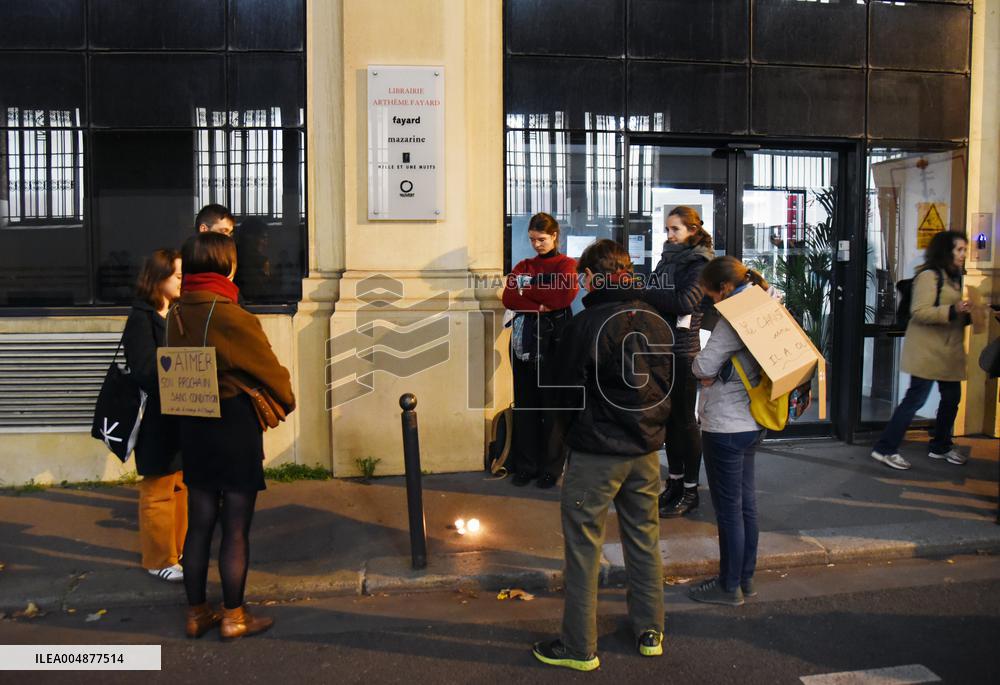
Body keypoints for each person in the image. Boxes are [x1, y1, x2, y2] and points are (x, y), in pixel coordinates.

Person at [532, 239, 672, 672]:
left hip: (596, 453)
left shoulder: (586, 323)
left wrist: (558, 452)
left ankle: (579, 648)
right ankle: (650, 632)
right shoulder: (656, 320)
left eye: (582, 278)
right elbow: (670, 388)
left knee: (583, 548)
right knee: (644, 539)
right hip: (646, 452)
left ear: (592, 277)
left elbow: (560, 392)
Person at [168, 232, 295, 640]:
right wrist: (284, 400)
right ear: (228, 266)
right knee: (236, 526)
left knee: (200, 522)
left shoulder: (175, 314)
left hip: (192, 422)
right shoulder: (233, 316)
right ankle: (234, 616)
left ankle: (195, 614)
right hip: (233, 427)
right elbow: (275, 376)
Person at [689, 256, 778, 607]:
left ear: (725, 288)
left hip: (726, 423)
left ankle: (729, 587)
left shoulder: (736, 317)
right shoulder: (767, 306)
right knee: (747, 506)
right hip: (754, 421)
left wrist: (706, 363)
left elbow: (703, 366)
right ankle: (745, 578)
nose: (711, 302)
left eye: (711, 296)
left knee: (729, 511)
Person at [871, 230, 972, 470]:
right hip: (927, 352)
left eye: (965, 250)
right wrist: (953, 310)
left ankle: (941, 445)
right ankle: (885, 448)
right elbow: (920, 311)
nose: (963, 255)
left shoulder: (953, 276)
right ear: (946, 251)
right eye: (959, 250)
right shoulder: (929, 276)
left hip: (947, 353)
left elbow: (950, 311)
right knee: (915, 399)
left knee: (951, 398)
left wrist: (965, 313)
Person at [643, 206, 714, 518]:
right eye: (668, 229)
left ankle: (690, 490)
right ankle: (673, 484)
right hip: (662, 346)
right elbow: (668, 295)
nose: (669, 235)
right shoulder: (669, 256)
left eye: (675, 229)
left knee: (685, 422)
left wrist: (646, 291)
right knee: (670, 421)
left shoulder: (700, 262)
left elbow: (685, 301)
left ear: (692, 231)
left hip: (684, 351)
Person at [501, 213, 578, 488]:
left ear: (555, 236)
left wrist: (527, 292)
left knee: (552, 408)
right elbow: (508, 297)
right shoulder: (524, 264)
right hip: (524, 344)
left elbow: (563, 296)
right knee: (525, 406)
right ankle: (526, 465)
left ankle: (550, 468)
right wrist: (539, 304)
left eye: (541, 239)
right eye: (532, 239)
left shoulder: (566, 264)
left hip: (553, 344)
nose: (536, 244)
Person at [122, 249, 186, 583]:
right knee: (158, 488)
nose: (182, 281)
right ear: (159, 277)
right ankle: (158, 557)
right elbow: (145, 369)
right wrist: (183, 370)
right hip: (156, 417)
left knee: (180, 484)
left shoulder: (177, 312)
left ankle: (178, 550)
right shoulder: (140, 317)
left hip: (181, 414)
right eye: (177, 276)